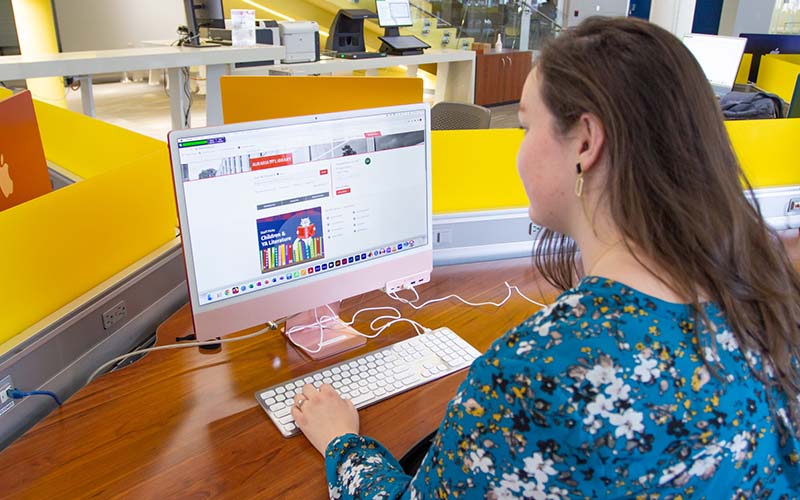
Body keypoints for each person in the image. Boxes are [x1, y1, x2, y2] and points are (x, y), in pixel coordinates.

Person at [290, 17, 800, 498]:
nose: (518, 150)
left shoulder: (536, 374)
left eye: (524, 127)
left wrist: (343, 441)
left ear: (584, 141)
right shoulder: (768, 296)